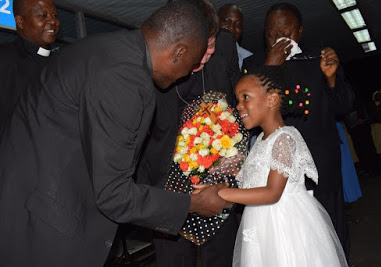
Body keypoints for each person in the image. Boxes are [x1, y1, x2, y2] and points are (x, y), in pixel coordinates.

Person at [0, 2, 231, 266]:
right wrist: (192, 203)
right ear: (179, 52)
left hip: (34, 204)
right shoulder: (124, 77)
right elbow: (113, 195)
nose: (189, 73)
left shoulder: (110, 49)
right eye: (191, 64)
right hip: (45, 227)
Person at [194, 65, 348, 266]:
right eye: (238, 99)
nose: (239, 106)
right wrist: (224, 169)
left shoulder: (284, 138)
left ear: (272, 99)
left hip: (282, 223)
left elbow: (272, 192)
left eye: (245, 97)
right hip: (260, 222)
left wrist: (220, 194)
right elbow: (254, 178)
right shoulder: (260, 140)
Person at [134, 1, 241, 266]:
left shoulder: (225, 46)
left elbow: (237, 103)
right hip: (167, 181)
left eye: (211, 45)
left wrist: (235, 157)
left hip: (217, 179)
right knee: (174, 258)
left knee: (220, 255)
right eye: (203, 48)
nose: (207, 55)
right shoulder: (156, 49)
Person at [243, 2, 354, 257]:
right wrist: (267, 70)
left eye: (287, 31)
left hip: (321, 167)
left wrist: (331, 78)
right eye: (272, 32)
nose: (280, 37)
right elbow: (247, 114)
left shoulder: (320, 58)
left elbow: (345, 106)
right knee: (287, 243)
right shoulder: (254, 64)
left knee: (331, 236)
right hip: (277, 172)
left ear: (300, 31)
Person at [0, 0, 60, 128]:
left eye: (54, 16)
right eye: (42, 16)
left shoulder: (61, 64)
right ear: (20, 22)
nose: (52, 22)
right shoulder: (5, 57)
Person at [218, 3, 252, 71]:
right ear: (216, 22)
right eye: (227, 21)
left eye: (237, 24)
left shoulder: (250, 59)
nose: (231, 27)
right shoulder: (202, 53)